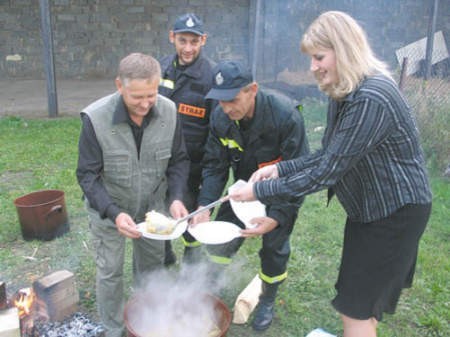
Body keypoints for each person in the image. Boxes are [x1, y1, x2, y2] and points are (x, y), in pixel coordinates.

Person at [229, 11, 432, 337]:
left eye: (319, 57)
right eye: (311, 58)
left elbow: (326, 172)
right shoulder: (346, 90)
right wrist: (279, 168)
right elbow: (329, 154)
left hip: (394, 215)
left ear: (345, 49)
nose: (313, 67)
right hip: (371, 210)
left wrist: (259, 192)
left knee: (356, 308)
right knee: (359, 302)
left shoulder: (371, 97)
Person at [76, 52, 189, 337]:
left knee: (151, 270)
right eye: (136, 97)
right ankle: (113, 330)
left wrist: (176, 197)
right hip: (109, 209)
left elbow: (179, 161)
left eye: (151, 94)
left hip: (152, 206)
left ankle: (145, 324)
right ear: (119, 85)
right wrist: (114, 213)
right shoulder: (95, 118)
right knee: (111, 272)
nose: (145, 104)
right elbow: (87, 175)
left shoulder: (170, 112)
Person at [191, 60, 310, 331]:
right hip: (242, 191)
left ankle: (267, 299)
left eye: (232, 100)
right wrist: (204, 205)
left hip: (279, 194)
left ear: (252, 90)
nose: (226, 108)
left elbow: (300, 175)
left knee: (273, 249)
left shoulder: (285, 116)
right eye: (220, 101)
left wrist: (278, 217)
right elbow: (215, 165)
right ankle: (213, 286)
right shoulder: (221, 118)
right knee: (220, 239)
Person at [158, 13, 217, 264]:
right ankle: (164, 253)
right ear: (172, 38)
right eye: (183, 41)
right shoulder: (160, 68)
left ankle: (191, 260)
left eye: (194, 42)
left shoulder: (212, 76)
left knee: (191, 213)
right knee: (161, 207)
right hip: (161, 157)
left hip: (194, 161)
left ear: (203, 40)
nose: (188, 48)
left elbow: (217, 128)